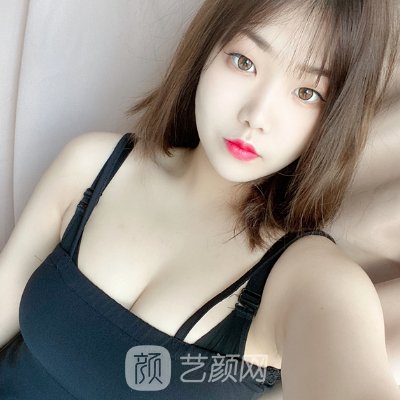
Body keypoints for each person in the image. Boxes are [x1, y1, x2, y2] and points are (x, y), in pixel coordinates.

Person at [0, 0, 399, 399]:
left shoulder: (307, 278)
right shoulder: (92, 166)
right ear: (206, 49)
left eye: (307, 92)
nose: (256, 116)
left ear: (336, 116)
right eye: (244, 62)